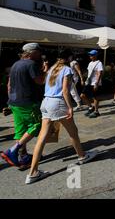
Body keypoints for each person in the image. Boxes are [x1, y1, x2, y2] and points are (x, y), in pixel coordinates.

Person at [26, 49, 98, 184]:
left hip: (46, 102)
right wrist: (70, 106)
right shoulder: (66, 69)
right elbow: (65, 90)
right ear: (69, 57)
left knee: (42, 137)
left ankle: (33, 172)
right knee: (73, 132)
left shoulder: (52, 69)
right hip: (58, 102)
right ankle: (82, 156)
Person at [1, 43, 48, 168]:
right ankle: (12, 151)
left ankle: (23, 156)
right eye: (38, 52)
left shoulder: (16, 64)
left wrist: (10, 101)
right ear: (32, 52)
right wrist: (45, 71)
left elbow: (9, 85)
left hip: (14, 102)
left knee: (21, 130)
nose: (40, 54)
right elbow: (40, 81)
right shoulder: (31, 64)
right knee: (37, 125)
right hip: (28, 102)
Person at [81, 50, 103, 118]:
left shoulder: (99, 63)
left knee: (95, 97)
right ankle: (91, 107)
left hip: (95, 83)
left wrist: (96, 83)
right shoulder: (90, 63)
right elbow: (89, 73)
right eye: (90, 55)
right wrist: (86, 80)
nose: (90, 56)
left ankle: (96, 111)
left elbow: (100, 73)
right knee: (82, 95)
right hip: (89, 82)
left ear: (96, 55)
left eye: (92, 55)